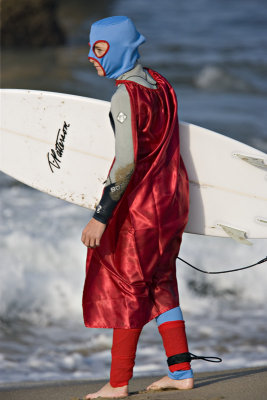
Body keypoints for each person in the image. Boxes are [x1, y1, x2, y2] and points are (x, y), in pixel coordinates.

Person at [81, 16, 192, 399]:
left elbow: (126, 163)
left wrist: (100, 217)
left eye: (99, 48)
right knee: (162, 284)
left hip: (141, 213)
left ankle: (117, 383)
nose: (91, 56)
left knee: (129, 288)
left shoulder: (124, 95)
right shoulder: (162, 84)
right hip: (171, 202)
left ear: (118, 48)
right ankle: (180, 372)